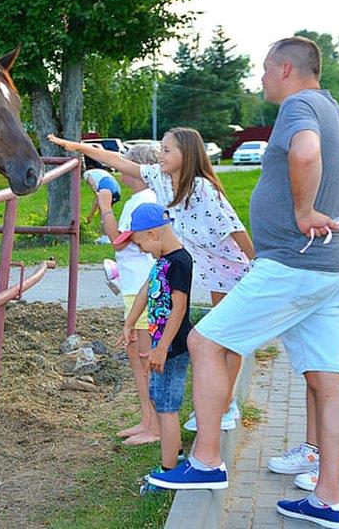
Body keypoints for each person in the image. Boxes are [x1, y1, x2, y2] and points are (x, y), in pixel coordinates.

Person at [146, 37, 339, 529]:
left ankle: (206, 463)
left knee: (204, 341)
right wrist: (338, 185)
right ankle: (327, 500)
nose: (260, 79)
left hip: (291, 263)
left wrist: (305, 209)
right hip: (335, 268)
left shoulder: (299, 106)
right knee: (329, 377)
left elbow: (304, 151)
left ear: (286, 68)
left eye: (264, 70)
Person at [49, 127, 255, 429]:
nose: (161, 154)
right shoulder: (160, 179)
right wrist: (75, 146)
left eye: (168, 150)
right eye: (161, 149)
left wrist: (258, 264)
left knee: (226, 339)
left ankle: (225, 406)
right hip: (211, 272)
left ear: (187, 156)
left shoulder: (202, 188)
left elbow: (234, 227)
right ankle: (221, 403)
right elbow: (117, 161)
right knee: (219, 337)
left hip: (233, 268)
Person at [272, 189, 339, 492]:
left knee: (328, 378)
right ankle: (314, 450)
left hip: (327, 286)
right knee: (315, 376)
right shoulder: (321, 188)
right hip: (315, 286)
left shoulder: (334, 193)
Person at [113, 203, 194, 491]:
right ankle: (177, 456)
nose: (143, 250)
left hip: (171, 349)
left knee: (167, 407)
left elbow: (179, 307)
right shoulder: (162, 260)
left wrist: (162, 348)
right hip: (162, 346)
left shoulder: (180, 262)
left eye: (141, 244)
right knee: (159, 399)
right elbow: (147, 291)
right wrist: (129, 323)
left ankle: (168, 472)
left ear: (153, 234)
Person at [93, 144, 161, 444]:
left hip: (140, 290)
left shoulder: (140, 202)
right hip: (136, 288)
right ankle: (148, 420)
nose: (121, 169)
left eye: (126, 164)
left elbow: (118, 241)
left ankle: (155, 427)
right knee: (137, 358)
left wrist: (106, 204)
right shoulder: (146, 198)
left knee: (143, 359)